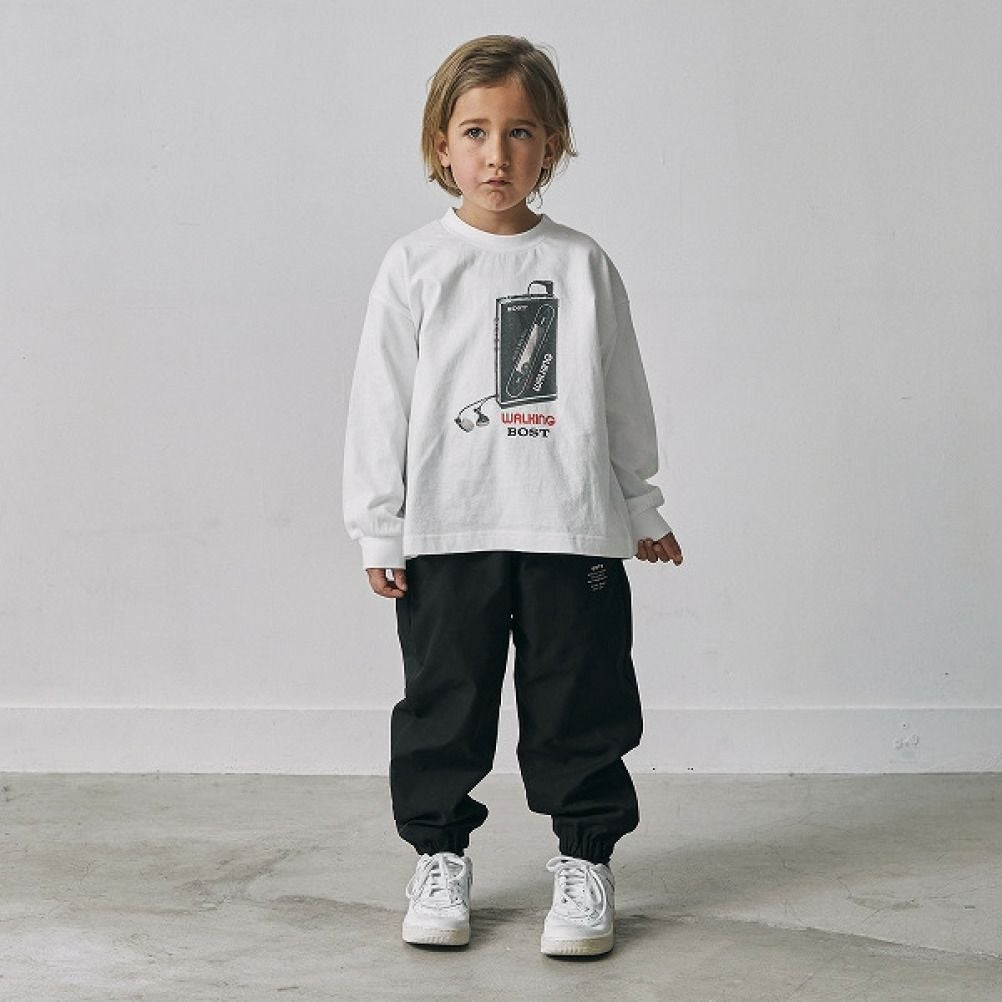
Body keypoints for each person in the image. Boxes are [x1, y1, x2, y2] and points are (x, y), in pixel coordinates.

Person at [342, 34, 683, 957]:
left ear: (552, 146)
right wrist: (379, 529)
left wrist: (640, 507)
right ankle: (439, 855)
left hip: (570, 528)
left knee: (580, 701)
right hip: (448, 530)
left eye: (520, 132)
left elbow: (622, 394)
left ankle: (585, 861)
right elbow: (380, 402)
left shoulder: (582, 264)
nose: (497, 154)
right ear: (441, 145)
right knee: (444, 702)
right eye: (475, 131)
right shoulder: (415, 264)